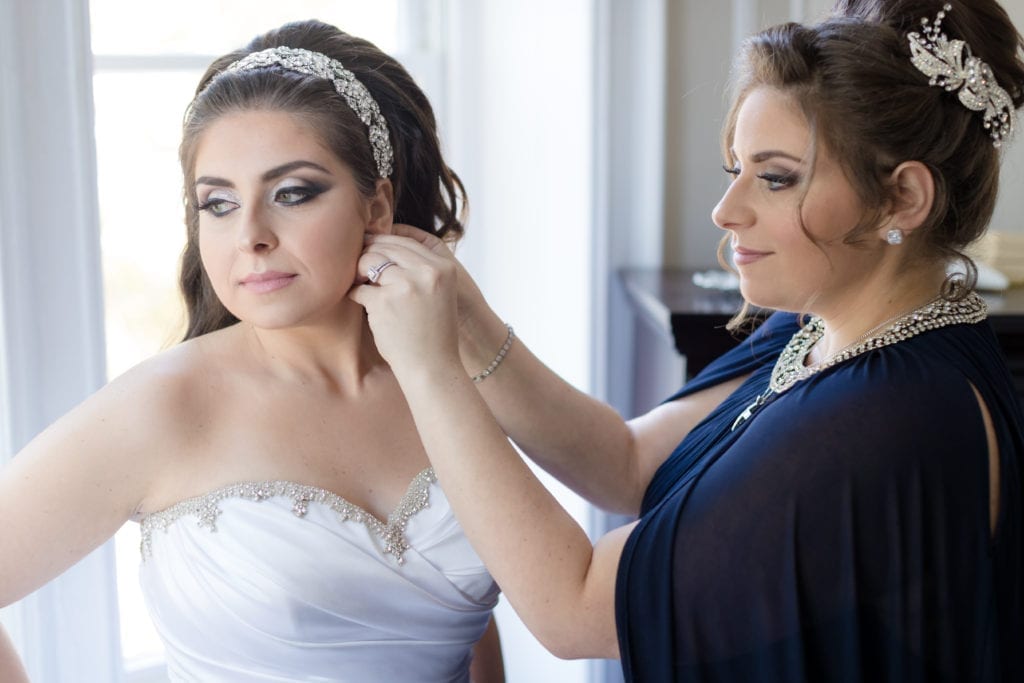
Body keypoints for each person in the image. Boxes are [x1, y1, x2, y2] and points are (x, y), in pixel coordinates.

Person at [350, 0, 1024, 680]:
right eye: (736, 169)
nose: (726, 210)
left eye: (777, 177)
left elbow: (571, 608)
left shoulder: (883, 416)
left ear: (903, 198)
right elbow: (625, 461)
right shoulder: (827, 328)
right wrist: (467, 318)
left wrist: (429, 369)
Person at [0, 20, 505, 683]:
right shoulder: (165, 406)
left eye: (292, 193)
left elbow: (470, 625)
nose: (250, 236)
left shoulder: (444, 378)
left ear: (376, 206)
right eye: (217, 203)